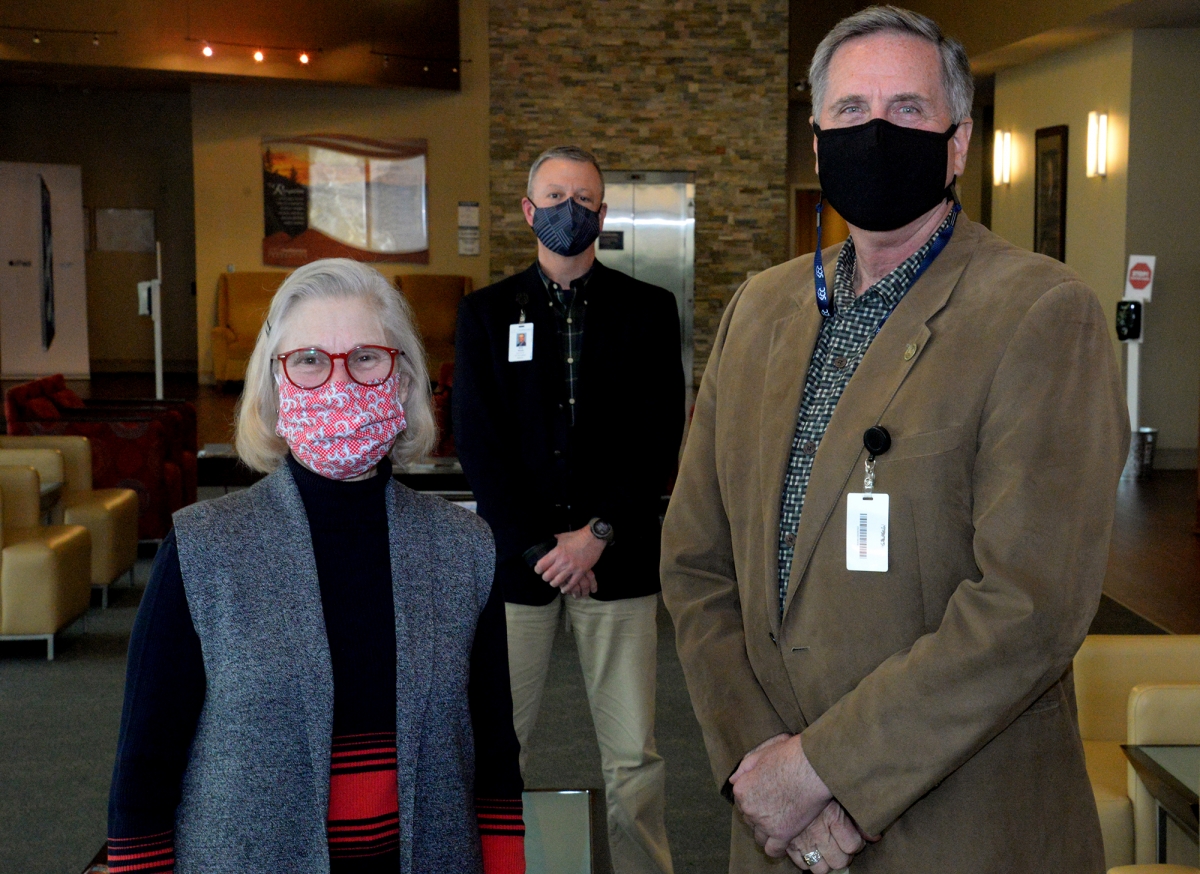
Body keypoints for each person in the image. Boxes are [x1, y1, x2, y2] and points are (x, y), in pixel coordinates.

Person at [660, 7, 1129, 873]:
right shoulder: (758, 309)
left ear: (957, 145)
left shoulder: (1039, 314)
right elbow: (695, 559)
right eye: (849, 111)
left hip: (962, 828)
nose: (876, 131)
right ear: (814, 140)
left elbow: (1029, 607)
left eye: (908, 110)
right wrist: (761, 765)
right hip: (775, 826)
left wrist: (823, 772)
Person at [107, 259, 525, 874]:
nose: (338, 382)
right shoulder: (204, 549)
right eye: (307, 360)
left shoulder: (463, 548)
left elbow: (492, 757)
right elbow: (143, 770)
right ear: (274, 389)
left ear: (404, 382)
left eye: (365, 358)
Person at [453, 146, 684, 874]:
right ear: (528, 211)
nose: (569, 210)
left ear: (603, 215)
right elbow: (479, 444)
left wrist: (596, 536)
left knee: (633, 759)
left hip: (616, 562)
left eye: (584, 199)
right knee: (498, 746)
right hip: (518, 568)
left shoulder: (649, 310)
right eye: (555, 196)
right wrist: (541, 549)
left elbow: (658, 438)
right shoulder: (487, 315)